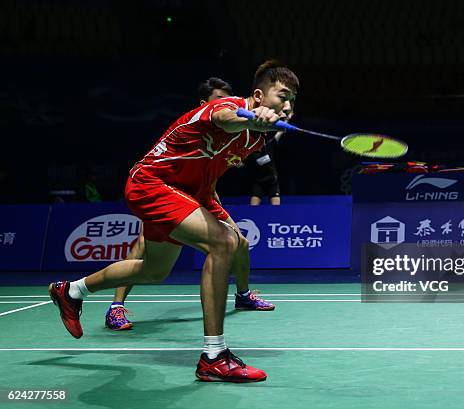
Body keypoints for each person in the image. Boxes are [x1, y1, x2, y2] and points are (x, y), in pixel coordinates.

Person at [48, 60, 298, 382]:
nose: (288, 105)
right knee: (224, 243)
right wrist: (251, 117)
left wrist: (260, 129)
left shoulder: (253, 141)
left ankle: (71, 292)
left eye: (293, 100)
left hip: (192, 193)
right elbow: (226, 119)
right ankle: (214, 355)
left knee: (154, 270)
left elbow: (212, 165)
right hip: (153, 183)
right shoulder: (227, 106)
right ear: (259, 95)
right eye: (283, 96)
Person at [105, 77, 275, 332]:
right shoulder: (200, 124)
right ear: (205, 104)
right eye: (219, 100)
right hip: (169, 188)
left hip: (203, 194)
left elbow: (216, 164)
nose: (226, 105)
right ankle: (116, 306)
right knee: (143, 247)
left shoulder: (241, 136)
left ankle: (243, 295)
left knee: (240, 242)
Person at [246, 112, 292, 206]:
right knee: (252, 208)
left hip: (272, 180)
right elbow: (241, 163)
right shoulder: (250, 150)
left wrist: (287, 119)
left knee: (276, 209)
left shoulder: (269, 144)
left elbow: (281, 132)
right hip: (258, 181)